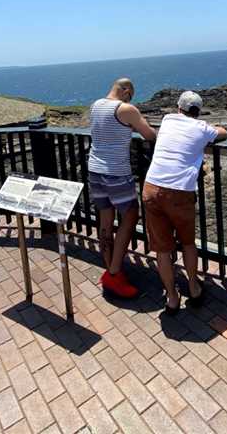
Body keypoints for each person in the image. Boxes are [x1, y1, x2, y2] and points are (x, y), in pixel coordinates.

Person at [142, 91, 227, 314]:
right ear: (197, 112)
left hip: (151, 188)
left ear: (178, 107)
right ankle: (193, 286)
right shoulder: (201, 128)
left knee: (162, 249)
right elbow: (223, 133)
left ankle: (171, 297)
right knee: (188, 243)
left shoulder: (167, 120)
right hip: (180, 193)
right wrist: (212, 126)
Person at [88, 78, 157, 298]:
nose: (131, 98)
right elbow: (150, 135)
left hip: (94, 169)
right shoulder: (126, 109)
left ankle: (111, 271)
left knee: (106, 222)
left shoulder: (95, 105)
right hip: (116, 172)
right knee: (130, 215)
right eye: (131, 94)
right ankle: (115, 273)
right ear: (125, 91)